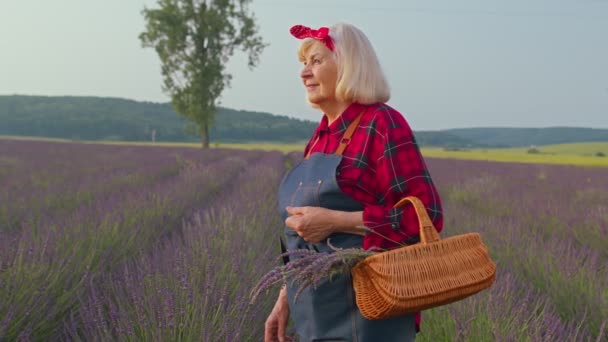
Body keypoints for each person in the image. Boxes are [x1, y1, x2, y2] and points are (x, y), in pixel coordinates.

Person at [265, 22, 444, 342]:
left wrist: (337, 221)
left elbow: (426, 217)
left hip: (372, 318)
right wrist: (285, 299)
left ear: (350, 66)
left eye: (317, 61)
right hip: (316, 320)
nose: (304, 73)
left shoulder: (382, 124)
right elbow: (304, 241)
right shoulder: (319, 138)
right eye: (303, 64)